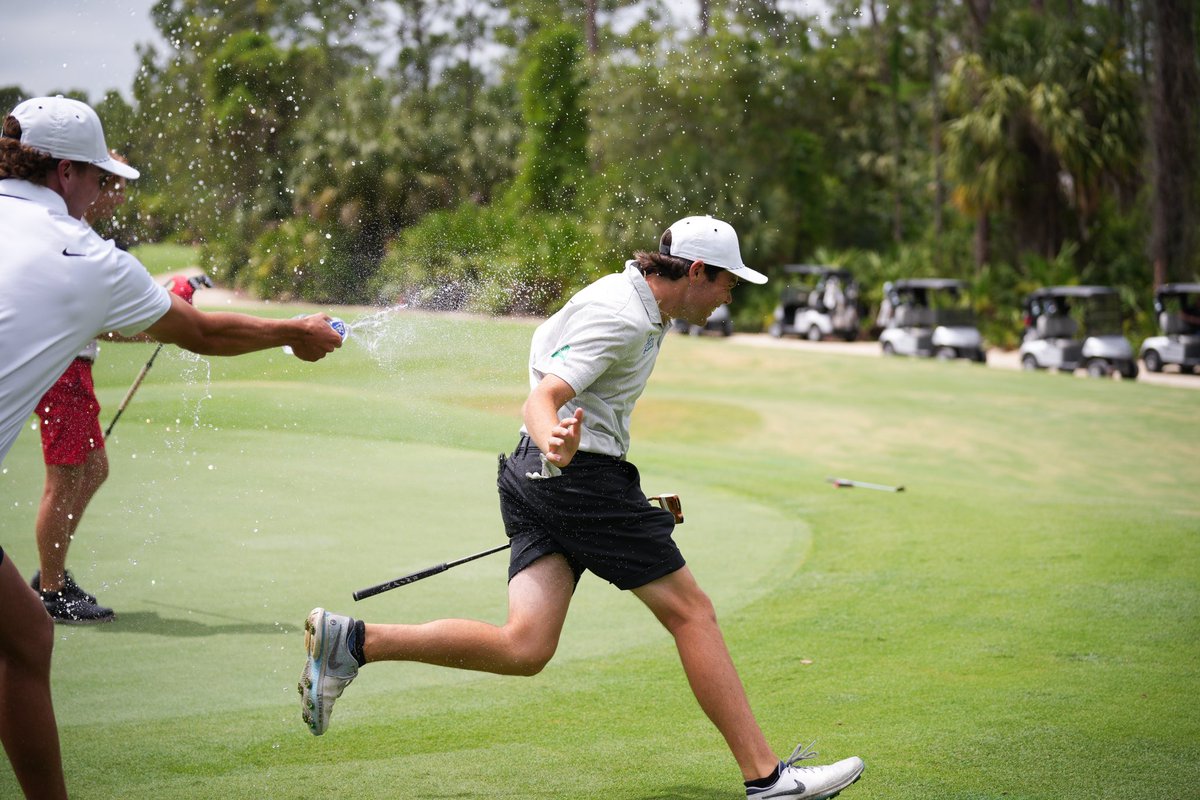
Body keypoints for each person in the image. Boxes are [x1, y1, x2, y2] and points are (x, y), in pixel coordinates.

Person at [298, 216, 865, 799]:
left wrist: (581, 473)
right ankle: (767, 779)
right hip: (572, 475)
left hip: (543, 476)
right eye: (727, 282)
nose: (729, 295)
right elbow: (543, 396)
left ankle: (355, 642)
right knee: (692, 613)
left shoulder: (641, 302)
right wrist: (558, 447)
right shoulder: (620, 317)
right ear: (696, 271)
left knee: (526, 646)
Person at [0, 95, 343, 799]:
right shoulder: (79, 250)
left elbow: (130, 321)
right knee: (25, 638)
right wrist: (295, 331)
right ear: (64, 172)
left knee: (25, 634)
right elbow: (204, 333)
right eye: (99, 179)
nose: (103, 195)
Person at [29, 152, 197, 624]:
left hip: (72, 369)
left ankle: (50, 572)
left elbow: (116, 317)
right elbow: (114, 321)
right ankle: (52, 588)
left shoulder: (84, 235)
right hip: (61, 370)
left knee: (94, 468)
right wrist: (171, 311)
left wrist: (167, 308)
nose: (114, 192)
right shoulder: (67, 234)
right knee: (64, 479)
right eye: (106, 181)